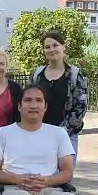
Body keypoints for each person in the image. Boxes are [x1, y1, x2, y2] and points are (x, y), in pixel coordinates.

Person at [29, 32, 87, 164]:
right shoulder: (37, 75)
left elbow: (80, 108)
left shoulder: (74, 75)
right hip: (37, 136)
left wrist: (60, 133)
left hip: (66, 137)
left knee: (62, 180)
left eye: (55, 45)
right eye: (47, 47)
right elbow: (27, 102)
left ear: (63, 47)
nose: (51, 49)